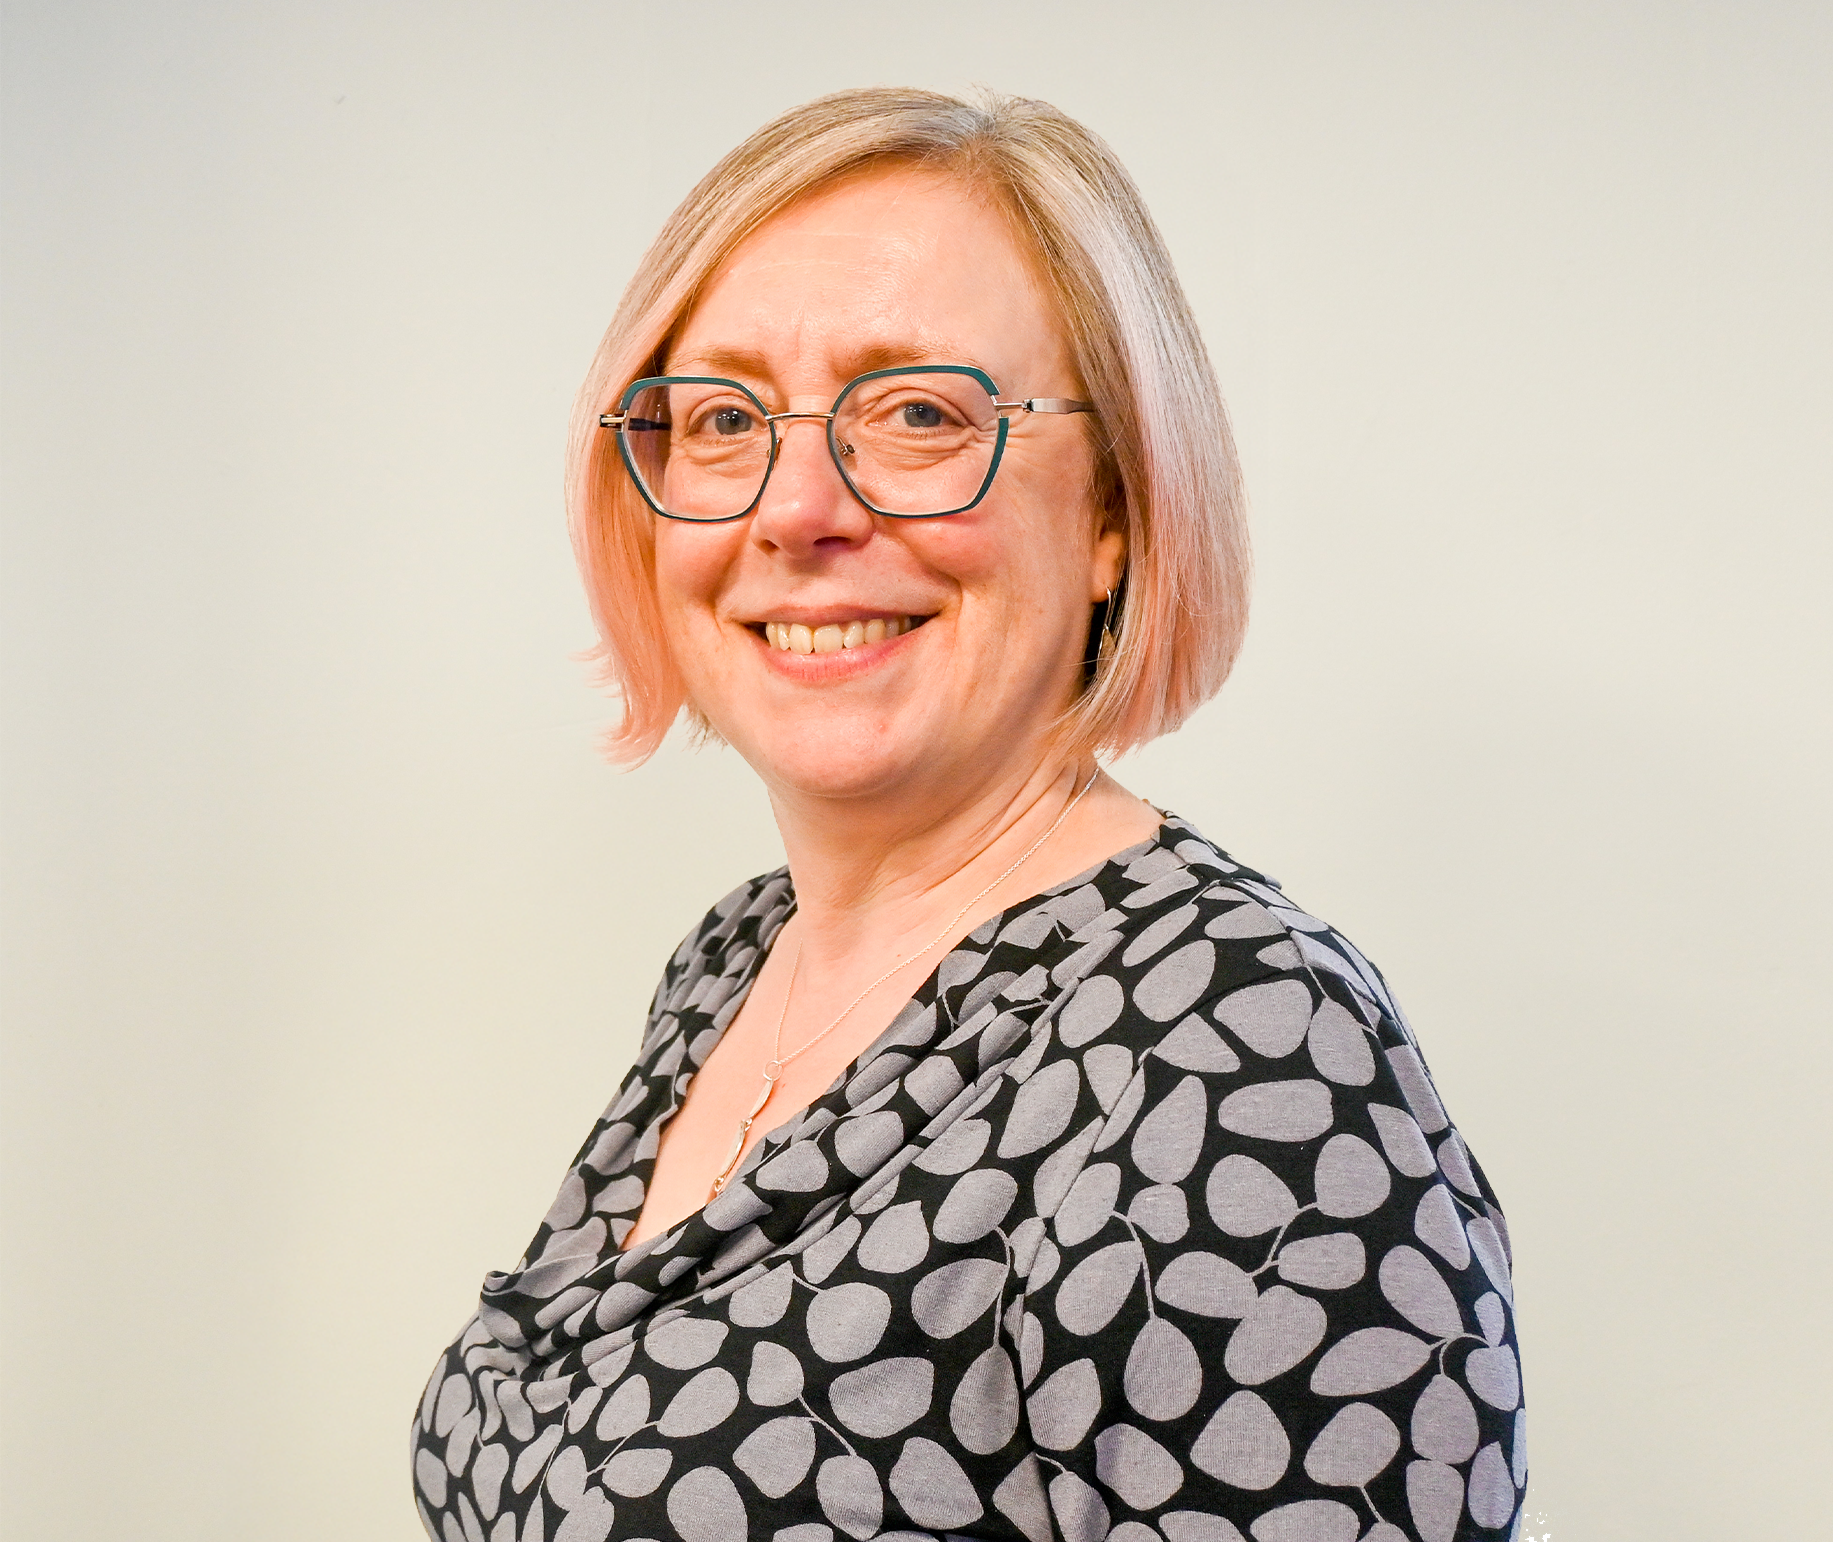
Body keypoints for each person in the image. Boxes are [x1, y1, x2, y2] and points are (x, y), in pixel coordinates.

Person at [411, 88, 1524, 1542]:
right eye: (724, 419)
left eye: (921, 413)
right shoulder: (735, 961)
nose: (796, 507)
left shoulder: (1240, 1051)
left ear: (1119, 506)